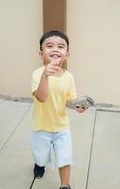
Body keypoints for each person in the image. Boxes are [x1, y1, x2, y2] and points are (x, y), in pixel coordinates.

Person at [31, 30, 87, 189]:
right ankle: (39, 164)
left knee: (65, 158)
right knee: (40, 156)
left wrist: (77, 106)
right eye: (50, 46)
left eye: (60, 46)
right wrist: (45, 76)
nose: (55, 49)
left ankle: (65, 185)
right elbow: (41, 97)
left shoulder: (69, 77)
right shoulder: (37, 74)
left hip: (61, 127)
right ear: (41, 54)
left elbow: (68, 101)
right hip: (41, 126)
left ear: (66, 55)